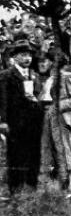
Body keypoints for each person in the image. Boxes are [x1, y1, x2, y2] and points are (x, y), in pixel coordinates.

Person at [37, 49, 71, 197]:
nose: (41, 65)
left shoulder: (66, 77)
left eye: (44, 62)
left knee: (63, 150)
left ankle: (68, 186)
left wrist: (57, 106)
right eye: (39, 62)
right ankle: (52, 184)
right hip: (46, 117)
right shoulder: (45, 79)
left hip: (61, 118)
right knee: (47, 150)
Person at [0, 39, 44, 195]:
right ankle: (15, 187)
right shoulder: (7, 75)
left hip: (34, 121)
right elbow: (3, 99)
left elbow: (40, 96)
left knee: (34, 152)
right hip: (16, 121)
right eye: (24, 55)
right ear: (15, 57)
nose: (27, 59)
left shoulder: (35, 75)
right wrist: (3, 121)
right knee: (16, 153)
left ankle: (32, 184)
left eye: (29, 56)